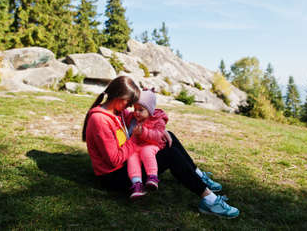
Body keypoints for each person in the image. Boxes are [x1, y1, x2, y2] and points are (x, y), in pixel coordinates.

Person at [82, 76, 240, 219]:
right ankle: (210, 201)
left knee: (168, 135)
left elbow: (142, 118)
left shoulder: (118, 112)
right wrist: (137, 138)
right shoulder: (99, 120)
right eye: (129, 103)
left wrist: (159, 131)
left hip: (128, 163)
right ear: (119, 97)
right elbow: (113, 160)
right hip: (113, 177)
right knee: (169, 153)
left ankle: (198, 175)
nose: (129, 107)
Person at [125, 89, 171, 198]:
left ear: (150, 110)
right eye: (135, 109)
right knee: (131, 157)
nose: (136, 112)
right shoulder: (133, 118)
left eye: (140, 110)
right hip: (136, 146)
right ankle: (137, 184)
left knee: (147, 151)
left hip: (151, 144)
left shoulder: (157, 119)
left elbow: (158, 135)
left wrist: (143, 132)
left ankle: (152, 177)